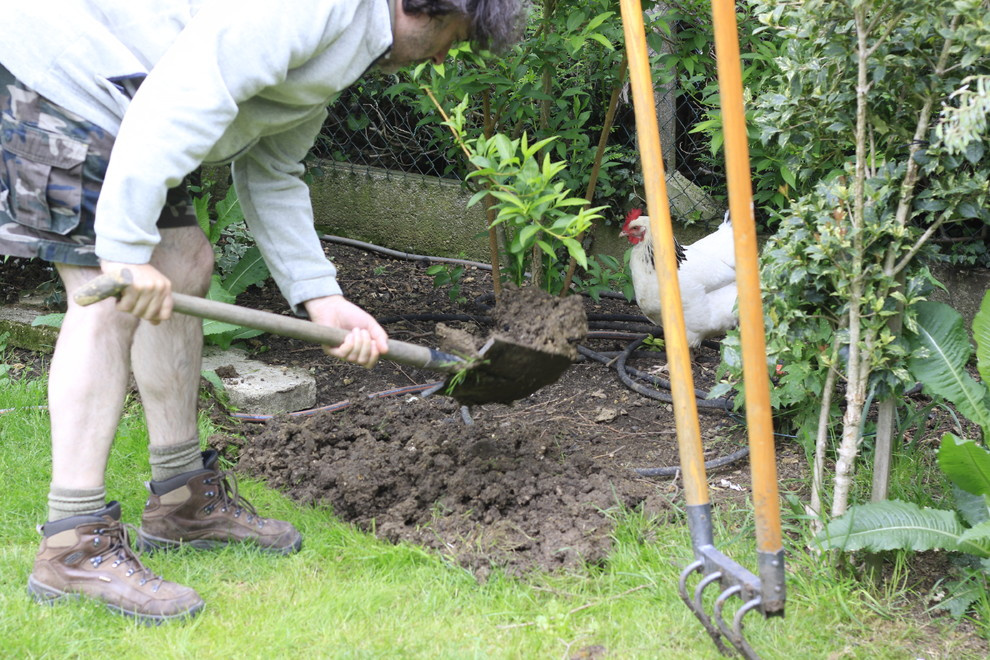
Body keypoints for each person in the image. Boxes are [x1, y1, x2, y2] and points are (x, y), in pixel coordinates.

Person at [0, 0, 525, 623]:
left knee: (184, 261)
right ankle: (73, 545)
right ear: (420, 6)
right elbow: (181, 99)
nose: (440, 59)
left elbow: (274, 169)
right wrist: (120, 250)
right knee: (106, 291)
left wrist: (321, 298)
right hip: (68, 71)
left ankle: (182, 498)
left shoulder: (349, 44)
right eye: (450, 38)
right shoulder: (313, 8)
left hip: (138, 102)